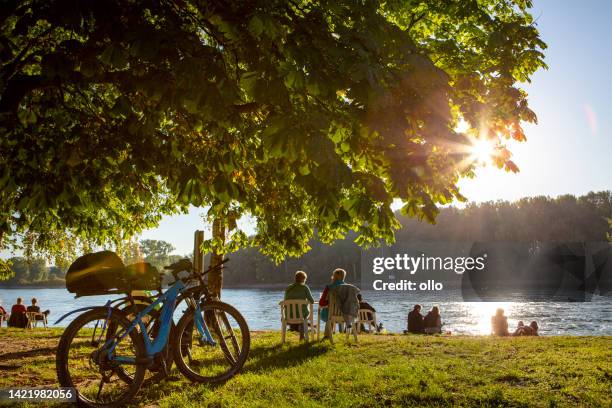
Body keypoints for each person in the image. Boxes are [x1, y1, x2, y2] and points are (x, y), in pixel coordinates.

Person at [284, 271, 315, 340]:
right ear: (303, 279)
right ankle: (302, 336)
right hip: (301, 315)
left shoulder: (288, 288)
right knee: (303, 315)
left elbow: (285, 302)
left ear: (295, 278)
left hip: (289, 315)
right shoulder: (304, 288)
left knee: (300, 314)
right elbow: (312, 301)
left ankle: (294, 328)